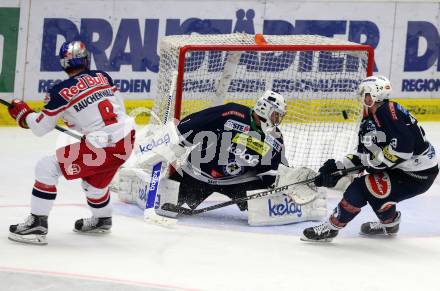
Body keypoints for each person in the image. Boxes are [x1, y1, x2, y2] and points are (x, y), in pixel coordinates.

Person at [115, 90, 326, 226]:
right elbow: (194, 123)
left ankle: (303, 208)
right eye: (276, 115)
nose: (277, 120)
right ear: (265, 109)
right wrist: (171, 140)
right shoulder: (231, 114)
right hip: (198, 174)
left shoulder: (274, 138)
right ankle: (132, 182)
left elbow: (269, 172)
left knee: (262, 209)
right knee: (168, 206)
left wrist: (281, 182)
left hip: (238, 181)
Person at [7, 41, 135, 245]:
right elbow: (118, 108)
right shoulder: (103, 76)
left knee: (46, 167)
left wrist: (24, 115)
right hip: (127, 139)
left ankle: (37, 224)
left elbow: (40, 128)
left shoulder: (59, 91)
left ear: (64, 64)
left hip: (104, 147)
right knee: (94, 186)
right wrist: (92, 131)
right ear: (86, 60)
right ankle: (102, 219)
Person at [302, 75, 439, 242]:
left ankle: (331, 228)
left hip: (417, 175)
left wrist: (376, 164)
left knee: (362, 187)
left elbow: (404, 148)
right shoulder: (372, 118)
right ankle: (390, 223)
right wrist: (338, 168)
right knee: (376, 188)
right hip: (406, 170)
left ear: (374, 94)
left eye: (364, 94)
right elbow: (364, 155)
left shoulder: (387, 111)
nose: (362, 98)